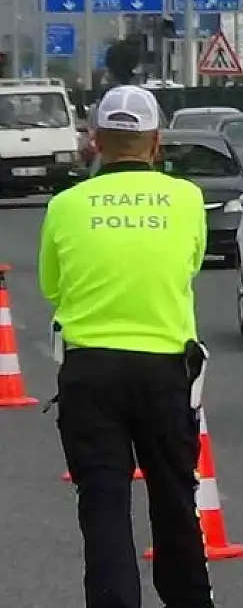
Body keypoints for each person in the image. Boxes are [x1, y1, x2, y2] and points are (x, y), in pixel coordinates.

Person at [37, 85, 214, 608]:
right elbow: (191, 265)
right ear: (156, 143)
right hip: (165, 371)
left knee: (104, 503)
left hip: (91, 373)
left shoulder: (65, 206)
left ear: (95, 141)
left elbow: (52, 286)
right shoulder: (187, 199)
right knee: (175, 499)